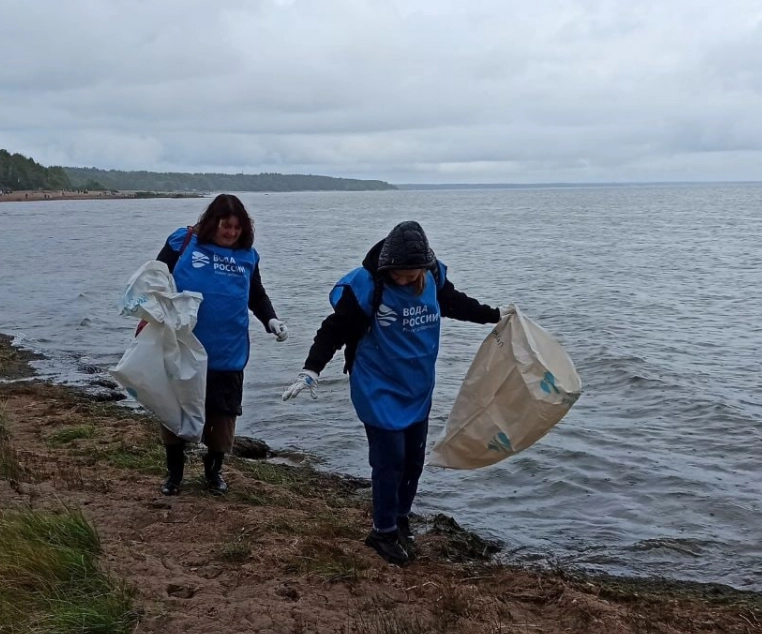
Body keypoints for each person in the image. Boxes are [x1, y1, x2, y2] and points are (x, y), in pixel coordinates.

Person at [282, 221, 513, 566]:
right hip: (377, 385)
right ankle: (383, 531)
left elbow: (455, 303)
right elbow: (334, 329)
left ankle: (400, 519)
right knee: (389, 459)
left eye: (411, 274)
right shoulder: (367, 286)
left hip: (417, 385)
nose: (404, 280)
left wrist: (495, 316)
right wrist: (311, 369)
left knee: (413, 461)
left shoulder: (432, 278)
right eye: (399, 275)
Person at [154, 193, 288, 495]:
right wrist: (148, 315)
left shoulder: (248, 256)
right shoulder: (183, 242)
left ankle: (213, 471)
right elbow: (155, 281)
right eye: (225, 226)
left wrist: (271, 319)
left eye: (237, 228)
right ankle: (174, 475)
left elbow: (256, 295)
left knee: (223, 415)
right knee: (174, 411)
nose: (231, 233)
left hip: (228, 350)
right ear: (212, 222)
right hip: (183, 346)